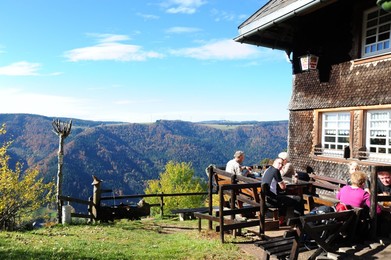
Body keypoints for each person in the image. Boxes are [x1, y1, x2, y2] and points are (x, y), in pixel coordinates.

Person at [262, 157, 304, 225]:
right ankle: (298, 222)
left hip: (266, 198)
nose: (280, 166)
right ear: (274, 163)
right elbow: (283, 187)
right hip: (272, 200)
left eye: (282, 164)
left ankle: (282, 220)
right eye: (279, 163)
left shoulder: (267, 170)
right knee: (298, 199)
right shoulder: (276, 171)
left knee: (283, 198)